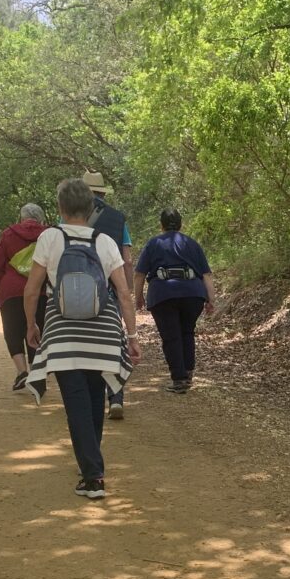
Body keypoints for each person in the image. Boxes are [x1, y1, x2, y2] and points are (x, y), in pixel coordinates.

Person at [23, 177, 142, 499]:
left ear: (60, 208)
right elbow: (124, 294)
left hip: (63, 334)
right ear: (91, 209)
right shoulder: (105, 242)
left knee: (76, 403)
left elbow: (32, 289)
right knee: (94, 399)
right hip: (103, 332)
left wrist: (31, 326)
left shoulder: (49, 238)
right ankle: (92, 466)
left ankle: (93, 477)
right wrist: (131, 336)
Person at [134, 209, 216, 392]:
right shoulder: (192, 244)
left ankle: (179, 379)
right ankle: (187, 373)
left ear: (161, 225)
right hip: (193, 293)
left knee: (171, 336)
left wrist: (138, 297)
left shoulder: (153, 243)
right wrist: (211, 299)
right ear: (181, 224)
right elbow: (206, 275)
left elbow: (139, 274)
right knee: (187, 332)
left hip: (163, 294)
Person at [0, 203, 48, 391]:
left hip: (11, 292)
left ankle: (22, 372)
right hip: (39, 291)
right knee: (37, 330)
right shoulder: (48, 235)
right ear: (41, 218)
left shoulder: (9, 234)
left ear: (21, 218)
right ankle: (37, 374)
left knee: (12, 331)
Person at [81, 171, 134, 419]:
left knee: (82, 344)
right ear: (102, 193)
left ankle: (86, 399)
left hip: (77, 291)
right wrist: (127, 290)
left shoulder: (69, 217)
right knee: (113, 343)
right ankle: (115, 398)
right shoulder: (118, 219)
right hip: (110, 291)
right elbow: (127, 259)